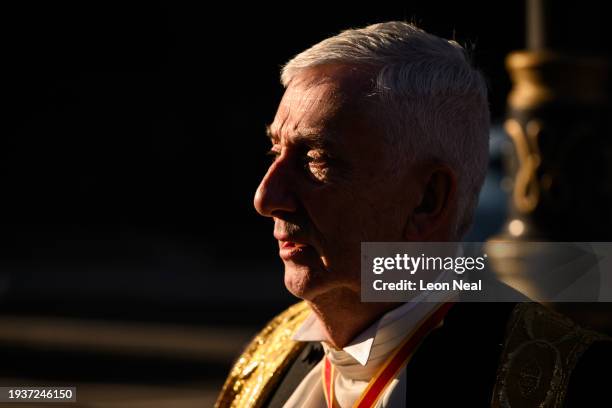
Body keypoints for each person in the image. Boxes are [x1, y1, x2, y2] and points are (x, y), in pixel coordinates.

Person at [215, 22, 611, 407]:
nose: (266, 198)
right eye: (275, 152)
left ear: (427, 200)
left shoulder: (561, 382)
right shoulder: (272, 353)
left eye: (317, 160)